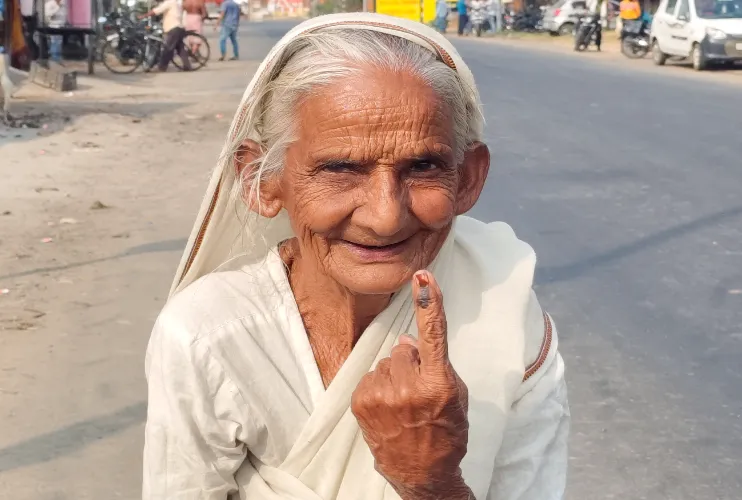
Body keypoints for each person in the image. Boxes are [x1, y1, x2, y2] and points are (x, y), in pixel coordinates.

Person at [143, 12, 569, 500]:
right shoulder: (209, 335)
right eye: (341, 169)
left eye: (423, 166)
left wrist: (430, 483)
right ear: (261, 181)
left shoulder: (505, 308)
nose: (386, 217)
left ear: (468, 177)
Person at [141, 0, 191, 72]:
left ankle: (162, 67)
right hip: (179, 27)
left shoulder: (169, 2)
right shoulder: (176, 3)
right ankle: (187, 66)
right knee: (180, 48)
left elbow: (156, 11)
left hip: (173, 28)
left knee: (167, 49)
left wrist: (143, 16)